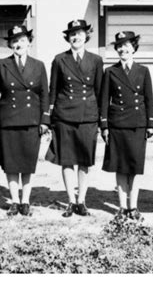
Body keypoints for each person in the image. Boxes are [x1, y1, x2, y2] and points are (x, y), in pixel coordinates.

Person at [0, 25, 50, 216]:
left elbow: (44, 95)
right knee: (11, 163)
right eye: (14, 41)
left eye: (22, 40)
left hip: (31, 121)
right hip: (8, 121)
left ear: (29, 43)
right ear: (10, 44)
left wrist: (44, 120)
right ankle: (14, 201)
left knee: (27, 163)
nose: (18, 44)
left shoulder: (38, 65)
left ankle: (26, 201)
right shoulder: (1, 65)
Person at [46, 19, 103, 217]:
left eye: (79, 34)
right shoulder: (59, 59)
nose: (76, 37)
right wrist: (49, 118)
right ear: (67, 38)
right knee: (67, 160)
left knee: (84, 160)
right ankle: (71, 200)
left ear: (86, 36)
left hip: (87, 116)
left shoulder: (96, 60)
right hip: (64, 116)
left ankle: (82, 201)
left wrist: (100, 119)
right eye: (72, 34)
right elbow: (53, 91)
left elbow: (99, 91)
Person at [100, 31, 153, 220]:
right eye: (119, 46)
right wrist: (105, 126)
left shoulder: (143, 71)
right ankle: (122, 207)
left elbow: (149, 99)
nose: (123, 49)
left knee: (135, 167)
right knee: (120, 166)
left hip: (137, 125)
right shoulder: (110, 71)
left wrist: (151, 124)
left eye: (127, 45)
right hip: (117, 125)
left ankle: (134, 206)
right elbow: (104, 100)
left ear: (134, 48)